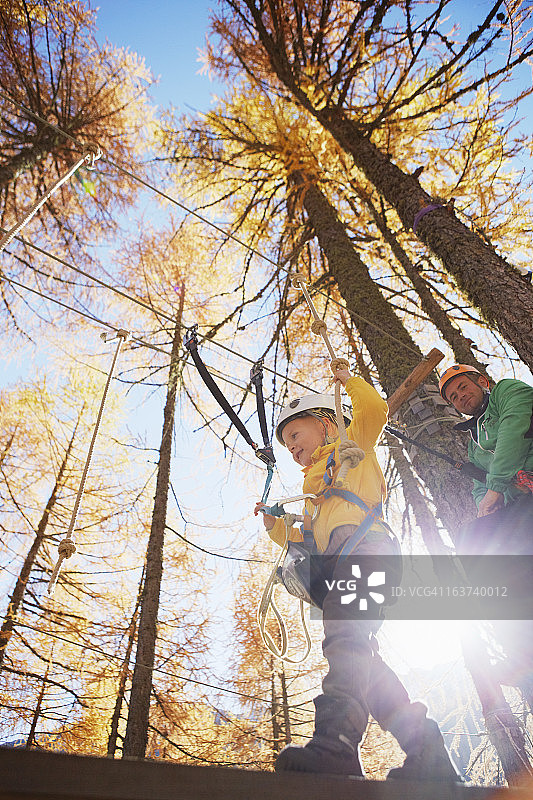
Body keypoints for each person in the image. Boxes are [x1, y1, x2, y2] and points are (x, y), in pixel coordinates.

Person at [255, 367, 460, 780]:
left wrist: (348, 380)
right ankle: (427, 752)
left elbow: (375, 409)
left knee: (347, 636)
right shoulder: (316, 489)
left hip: (369, 553)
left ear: (326, 422)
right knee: (366, 663)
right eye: (288, 444)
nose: (292, 448)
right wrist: (276, 526)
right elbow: (306, 540)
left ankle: (337, 743)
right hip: (345, 563)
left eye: (295, 435)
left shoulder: (353, 445)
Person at [439, 364, 533, 708]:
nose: (460, 397)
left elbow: (514, 432)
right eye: (453, 397)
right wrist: (486, 506)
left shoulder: (509, 392)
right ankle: (522, 651)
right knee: (473, 540)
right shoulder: (474, 446)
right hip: (521, 508)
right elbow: (481, 487)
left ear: (482, 381)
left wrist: (495, 489)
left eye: (463, 387)